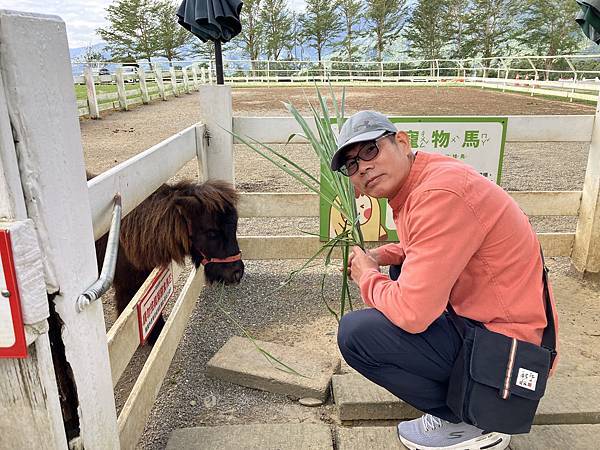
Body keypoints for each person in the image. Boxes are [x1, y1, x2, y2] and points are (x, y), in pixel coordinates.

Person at [331, 110, 559, 450]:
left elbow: (413, 312)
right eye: (351, 164)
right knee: (400, 272)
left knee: (357, 335)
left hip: (509, 353)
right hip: (502, 327)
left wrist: (367, 276)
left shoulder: (440, 193)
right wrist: (381, 256)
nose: (361, 167)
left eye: (369, 150)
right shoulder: (428, 177)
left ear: (402, 142)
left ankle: (474, 419)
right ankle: (467, 397)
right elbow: (423, 244)